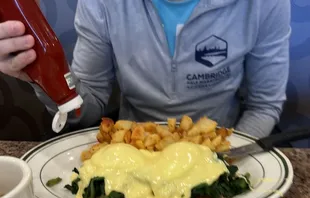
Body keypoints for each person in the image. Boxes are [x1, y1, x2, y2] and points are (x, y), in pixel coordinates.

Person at [0, 0, 291, 138]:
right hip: (132, 157)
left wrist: (227, 161)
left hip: (225, 151)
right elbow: (86, 109)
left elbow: (264, 106)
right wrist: (44, 79)